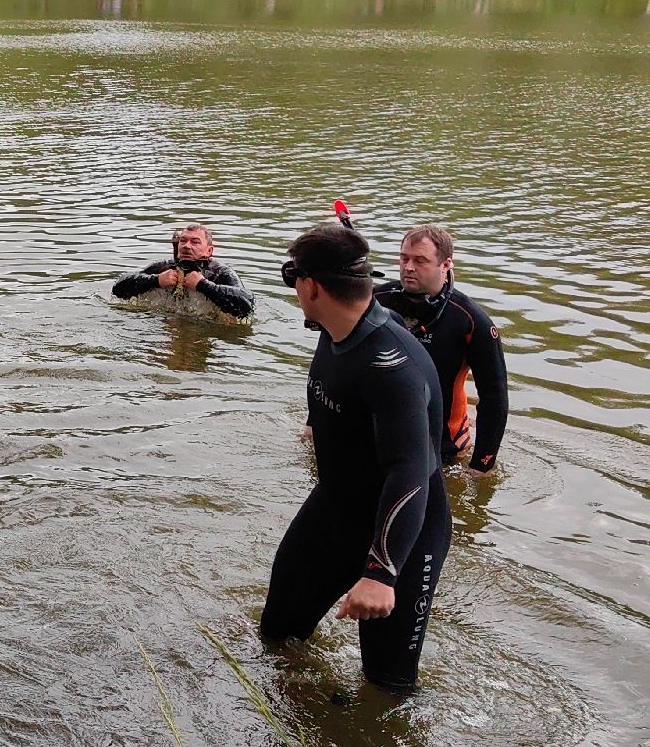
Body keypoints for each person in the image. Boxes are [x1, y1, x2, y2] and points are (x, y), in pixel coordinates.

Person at [261, 224, 450, 691]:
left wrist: (381, 573)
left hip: (403, 531)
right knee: (277, 634)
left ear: (311, 287)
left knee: (386, 688)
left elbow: (410, 471)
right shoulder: (338, 326)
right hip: (335, 507)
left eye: (293, 279)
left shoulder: (390, 365)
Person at [375, 225, 509, 471]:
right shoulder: (376, 301)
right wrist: (314, 423)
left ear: (446, 265)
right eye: (404, 258)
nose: (408, 267)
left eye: (420, 260)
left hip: (444, 449)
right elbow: (336, 359)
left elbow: (495, 396)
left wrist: (482, 464)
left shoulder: (470, 321)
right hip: (379, 437)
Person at [112, 223, 256, 318]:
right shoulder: (164, 268)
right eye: (183, 241)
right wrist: (156, 280)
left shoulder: (219, 273)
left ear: (209, 251)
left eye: (195, 242)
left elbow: (246, 304)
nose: (187, 246)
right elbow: (118, 288)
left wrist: (203, 285)